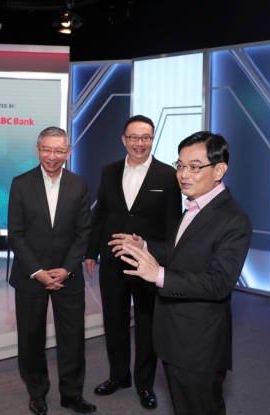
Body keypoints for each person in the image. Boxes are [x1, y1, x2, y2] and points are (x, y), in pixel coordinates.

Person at [118, 131, 252, 415]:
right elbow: (178, 252)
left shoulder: (234, 219)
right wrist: (145, 245)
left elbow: (219, 283)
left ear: (219, 170)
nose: (183, 175)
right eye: (180, 165)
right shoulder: (194, 205)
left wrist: (159, 275)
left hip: (198, 346)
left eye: (194, 166)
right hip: (174, 337)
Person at [84, 115, 181, 409]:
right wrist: (90, 252)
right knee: (113, 320)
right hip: (113, 260)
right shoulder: (109, 171)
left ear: (152, 139)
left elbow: (172, 224)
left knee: (147, 324)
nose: (140, 143)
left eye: (146, 137)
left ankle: (144, 384)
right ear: (123, 140)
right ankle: (118, 376)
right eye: (134, 137)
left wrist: (165, 258)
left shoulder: (168, 175)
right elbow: (101, 214)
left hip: (148, 262)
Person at [8, 127, 95, 415]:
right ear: (38, 150)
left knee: (73, 339)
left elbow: (83, 232)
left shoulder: (79, 184)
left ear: (68, 153)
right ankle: (37, 393)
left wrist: (67, 269)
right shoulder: (20, 184)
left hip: (68, 276)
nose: (52, 156)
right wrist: (38, 271)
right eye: (46, 149)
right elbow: (16, 234)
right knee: (31, 339)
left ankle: (72, 395)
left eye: (59, 150)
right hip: (31, 276)